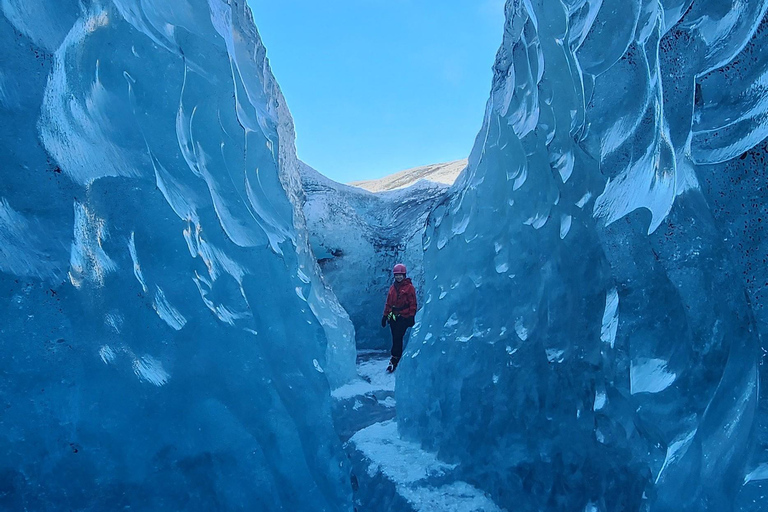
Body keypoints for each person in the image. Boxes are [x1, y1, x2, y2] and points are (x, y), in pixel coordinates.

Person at [381, 263, 417, 373]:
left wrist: (411, 315)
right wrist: (385, 315)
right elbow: (389, 303)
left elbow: (413, 303)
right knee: (395, 337)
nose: (398, 277)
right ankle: (396, 356)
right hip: (394, 316)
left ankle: (395, 357)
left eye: (400, 275)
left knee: (398, 337)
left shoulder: (409, 288)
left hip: (404, 316)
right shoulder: (393, 288)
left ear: (404, 275)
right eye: (396, 275)